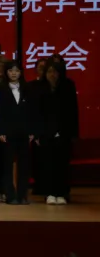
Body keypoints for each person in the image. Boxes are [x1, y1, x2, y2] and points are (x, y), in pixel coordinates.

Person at [37, 61, 79, 205]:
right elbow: (36, 112)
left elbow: (73, 110)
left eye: (55, 71)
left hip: (64, 131)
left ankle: (62, 192)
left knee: (62, 164)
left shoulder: (68, 85)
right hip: (45, 132)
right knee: (47, 164)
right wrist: (37, 133)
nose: (52, 75)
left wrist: (73, 133)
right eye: (49, 71)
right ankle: (49, 193)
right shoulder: (41, 87)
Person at [0, 60, 35, 205]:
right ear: (6, 72)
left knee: (24, 164)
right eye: (11, 70)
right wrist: (1, 130)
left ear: (21, 72)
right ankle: (10, 195)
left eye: (17, 70)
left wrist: (32, 131)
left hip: (24, 131)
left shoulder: (27, 88)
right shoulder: (1, 89)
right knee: (7, 164)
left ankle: (22, 195)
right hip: (7, 132)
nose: (13, 73)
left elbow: (32, 111)